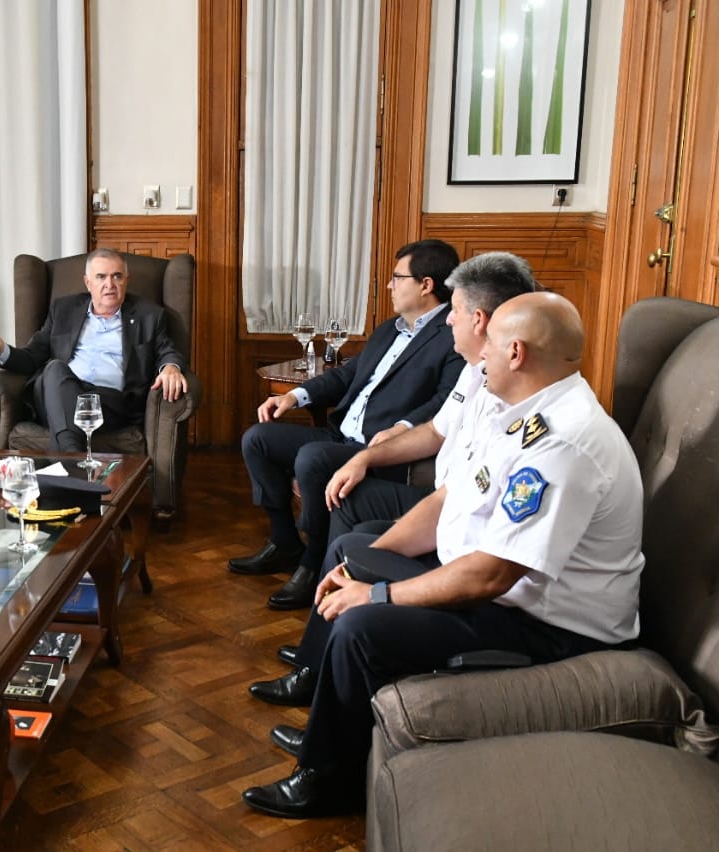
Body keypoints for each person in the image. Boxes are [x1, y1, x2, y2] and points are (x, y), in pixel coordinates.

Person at [242, 292, 644, 820]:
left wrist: (378, 594)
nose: (479, 354)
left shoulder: (563, 444)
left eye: (490, 343)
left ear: (516, 353)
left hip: (551, 630)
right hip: (499, 591)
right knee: (354, 551)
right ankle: (330, 727)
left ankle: (326, 782)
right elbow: (452, 499)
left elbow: (492, 576)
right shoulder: (523, 410)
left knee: (361, 625)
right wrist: (368, 562)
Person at [230, 240, 463, 611]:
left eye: (397, 277)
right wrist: (295, 397)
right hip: (340, 435)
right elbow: (348, 374)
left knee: (312, 457)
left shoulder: (452, 335)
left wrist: (403, 427)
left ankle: (313, 563)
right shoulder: (389, 329)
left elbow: (447, 400)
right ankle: (285, 541)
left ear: (426, 285)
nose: (389, 285)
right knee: (258, 438)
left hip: (381, 447)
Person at [317, 251, 540, 550]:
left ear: (478, 319)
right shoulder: (475, 370)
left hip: (465, 532)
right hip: (447, 503)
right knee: (347, 505)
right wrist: (364, 458)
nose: (448, 319)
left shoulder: (522, 402)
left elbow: (493, 546)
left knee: (350, 548)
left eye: (455, 310)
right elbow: (436, 431)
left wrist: (393, 545)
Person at [0, 248, 187, 451]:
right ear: (88, 283)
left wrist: (170, 367)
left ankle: (70, 459)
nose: (109, 284)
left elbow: (166, 350)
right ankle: (72, 457)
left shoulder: (148, 315)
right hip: (58, 392)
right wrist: (0, 347)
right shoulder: (63, 310)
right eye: (101, 277)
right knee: (55, 368)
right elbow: (32, 357)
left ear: (126, 280)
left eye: (117, 276)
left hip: (108, 402)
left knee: (64, 399)